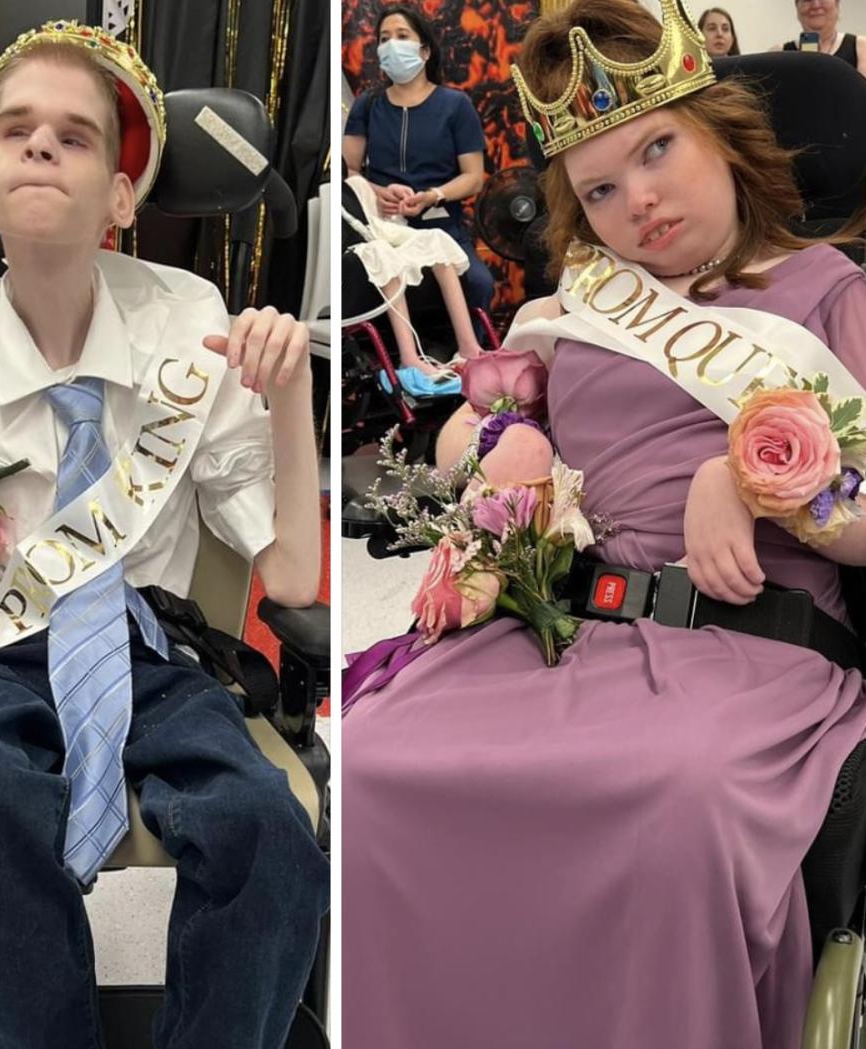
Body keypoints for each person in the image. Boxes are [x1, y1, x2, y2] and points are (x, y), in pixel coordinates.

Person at [342, 1, 866, 1047]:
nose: (642, 201)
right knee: (368, 763)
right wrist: (498, 467)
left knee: (674, 805)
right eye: (601, 190)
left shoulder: (830, 292)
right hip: (564, 630)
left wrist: (756, 477)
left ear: (722, 133)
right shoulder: (582, 314)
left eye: (658, 149)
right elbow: (481, 451)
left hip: (747, 643)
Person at [0, 21, 329, 1049]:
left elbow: (287, 569)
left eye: (77, 135)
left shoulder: (189, 318)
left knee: (264, 827)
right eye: (14, 131)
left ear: (122, 195)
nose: (42, 146)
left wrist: (290, 400)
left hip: (151, 647)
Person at [342, 3, 493, 349]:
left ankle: (472, 363)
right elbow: (348, 168)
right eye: (384, 38)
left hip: (442, 225)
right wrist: (376, 192)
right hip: (380, 226)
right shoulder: (367, 105)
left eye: (401, 36)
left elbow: (473, 177)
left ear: (424, 50)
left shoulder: (456, 105)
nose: (391, 45)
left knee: (480, 283)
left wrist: (433, 195)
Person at [343, 172, 480, 379]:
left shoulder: (350, 179)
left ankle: (469, 347)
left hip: (370, 223)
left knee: (437, 239)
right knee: (380, 251)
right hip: (346, 250)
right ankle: (409, 358)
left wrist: (381, 192)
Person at [777, 0, 866, 75]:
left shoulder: (861, 47)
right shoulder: (778, 53)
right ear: (797, 7)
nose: (815, 5)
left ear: (837, 4)